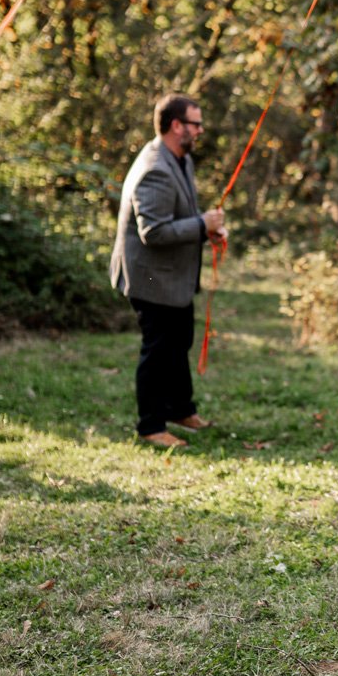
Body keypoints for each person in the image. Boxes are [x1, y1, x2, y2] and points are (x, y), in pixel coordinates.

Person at [109, 94, 226, 448]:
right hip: (147, 276)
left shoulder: (180, 159)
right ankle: (151, 426)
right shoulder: (155, 169)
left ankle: (180, 409)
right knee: (159, 349)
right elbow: (154, 232)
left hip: (172, 274)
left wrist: (208, 229)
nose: (200, 130)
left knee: (179, 342)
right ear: (177, 126)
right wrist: (201, 225)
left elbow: (183, 214)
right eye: (195, 124)